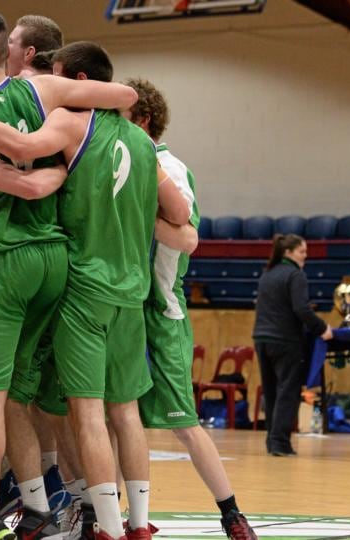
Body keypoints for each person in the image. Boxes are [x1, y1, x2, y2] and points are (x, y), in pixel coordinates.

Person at [0, 40, 192, 540]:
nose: (52, 86)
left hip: (80, 285)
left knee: (72, 411)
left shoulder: (71, 123)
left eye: (60, 77)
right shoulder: (140, 142)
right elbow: (182, 225)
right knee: (124, 415)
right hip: (129, 293)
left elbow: (21, 151)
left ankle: (98, 522)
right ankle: (138, 521)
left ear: (81, 84)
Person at [125, 77, 256, 539]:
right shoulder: (117, 160)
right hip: (118, 307)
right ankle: (115, 512)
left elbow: (187, 237)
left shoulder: (169, 169)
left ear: (142, 120)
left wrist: (140, 216)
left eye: (119, 116)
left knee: (185, 423)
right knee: (110, 415)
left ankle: (232, 513)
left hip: (160, 313)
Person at [253, 234, 333, 457]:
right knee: (287, 391)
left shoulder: (268, 274)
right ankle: (280, 442)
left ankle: (272, 441)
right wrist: (322, 328)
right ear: (288, 253)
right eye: (302, 252)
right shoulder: (295, 275)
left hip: (261, 338)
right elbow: (301, 309)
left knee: (270, 391)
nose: (305, 256)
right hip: (285, 340)